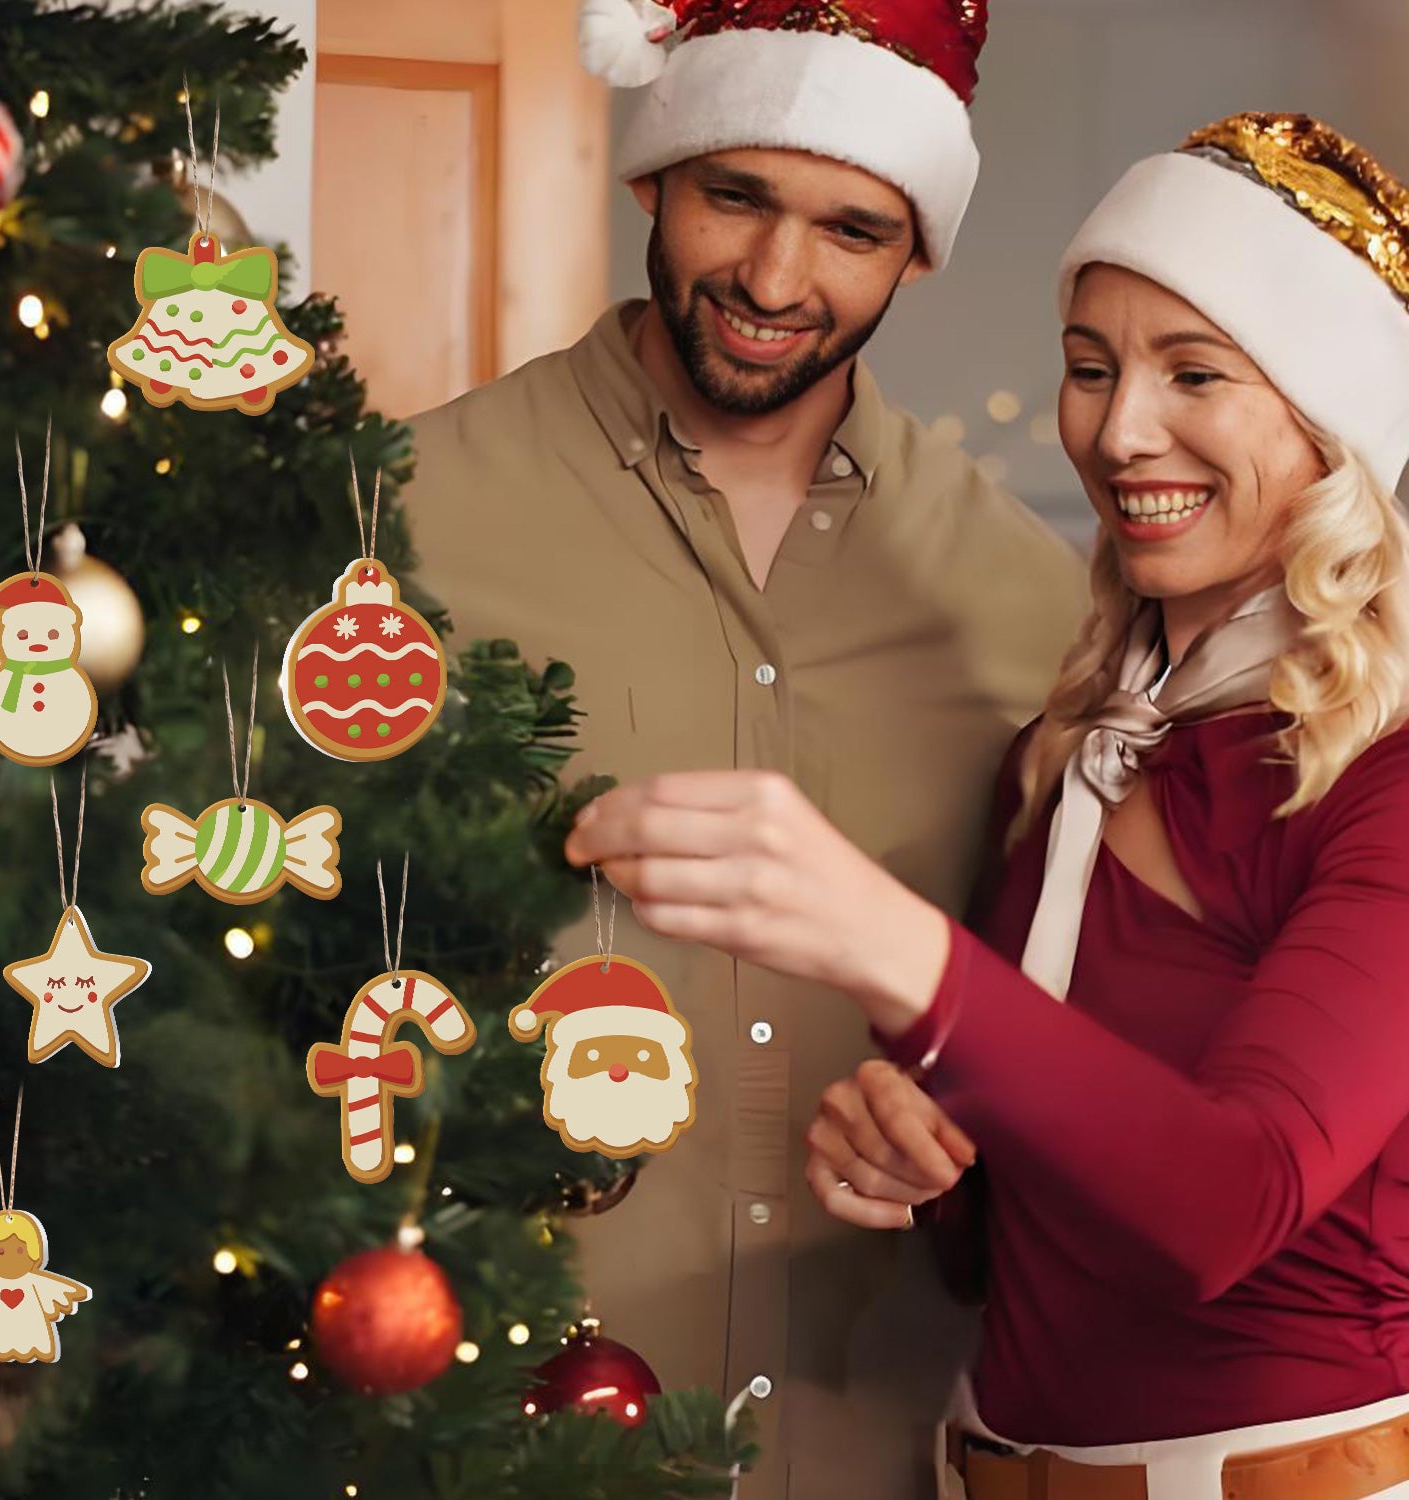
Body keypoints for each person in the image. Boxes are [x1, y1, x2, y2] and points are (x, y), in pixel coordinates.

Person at [565, 111, 1409, 1500]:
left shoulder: (1381, 778)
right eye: (1090, 368)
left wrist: (888, 945)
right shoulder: (1071, 756)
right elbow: (1035, 1232)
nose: (1118, 428)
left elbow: (1225, 1204)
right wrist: (927, 1164)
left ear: (1329, 425)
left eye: (1194, 373)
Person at [405, 1, 1087, 1493]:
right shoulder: (405, 521)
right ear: (653, 177)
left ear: (915, 249)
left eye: (851, 228)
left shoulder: (1030, 606)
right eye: (736, 198)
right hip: (487, 1424)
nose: (778, 279)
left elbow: (1077, 1032)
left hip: (886, 1436)